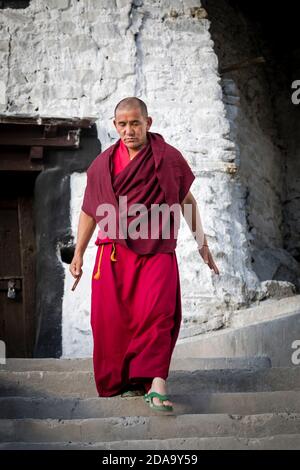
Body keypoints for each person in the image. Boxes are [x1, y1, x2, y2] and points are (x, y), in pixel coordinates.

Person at [70, 97, 220, 412]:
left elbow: (186, 200)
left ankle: (156, 383)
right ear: (115, 126)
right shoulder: (102, 165)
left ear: (147, 123)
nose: (129, 130)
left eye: (135, 123)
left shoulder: (168, 158)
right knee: (110, 321)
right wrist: (79, 254)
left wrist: (202, 242)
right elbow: (90, 210)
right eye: (122, 124)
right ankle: (125, 383)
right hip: (113, 254)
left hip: (156, 250)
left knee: (159, 314)